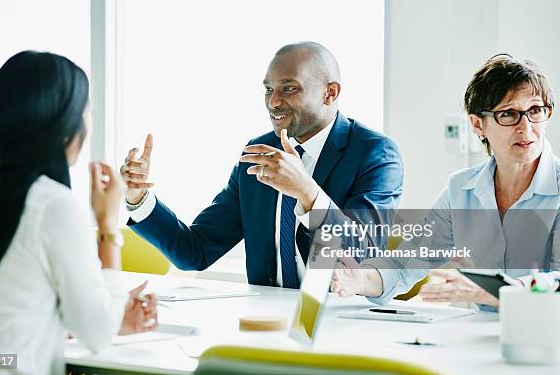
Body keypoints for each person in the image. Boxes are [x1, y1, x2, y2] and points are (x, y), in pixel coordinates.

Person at [120, 42, 404, 288]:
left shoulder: (375, 153)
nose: (273, 101)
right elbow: (194, 252)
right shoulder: (259, 152)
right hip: (266, 321)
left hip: (340, 322)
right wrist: (140, 199)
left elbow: (363, 254)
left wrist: (309, 194)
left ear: (330, 93)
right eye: (268, 89)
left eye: (289, 88)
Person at [0, 51, 158, 374]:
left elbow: (0, 319)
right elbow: (98, 336)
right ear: (63, 125)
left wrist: (100, 313)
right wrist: (106, 224)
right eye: (85, 114)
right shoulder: (54, 206)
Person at [331, 54, 560, 308]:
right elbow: (404, 265)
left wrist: (487, 293)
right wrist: (359, 280)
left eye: (536, 111)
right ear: (478, 124)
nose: (526, 127)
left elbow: (556, 284)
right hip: (474, 337)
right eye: (508, 114)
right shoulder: (461, 189)